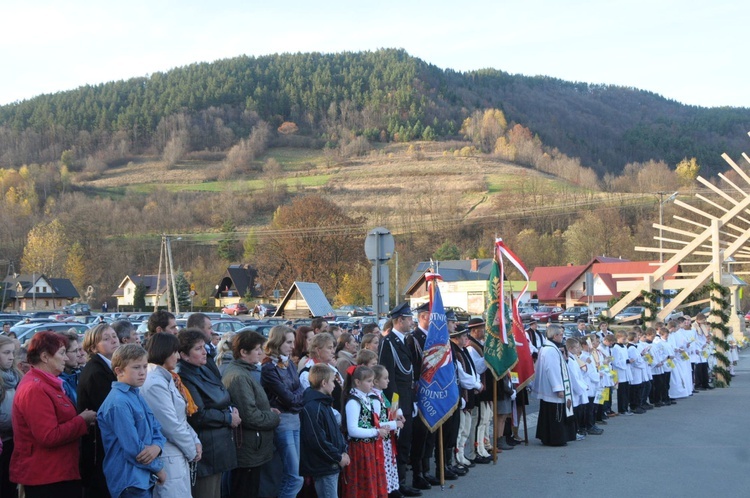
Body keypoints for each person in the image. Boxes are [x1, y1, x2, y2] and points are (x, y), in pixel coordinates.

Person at [10, 331, 97, 498]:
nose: (65, 358)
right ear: (44, 357)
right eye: (62, 353)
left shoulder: (46, 383)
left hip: (57, 473)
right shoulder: (35, 389)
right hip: (47, 478)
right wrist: (82, 421)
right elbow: (48, 436)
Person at [98, 344, 167, 498]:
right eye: (136, 367)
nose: (142, 372)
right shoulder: (118, 402)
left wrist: (157, 446)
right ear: (119, 371)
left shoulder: (135, 394)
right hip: (129, 479)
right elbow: (133, 449)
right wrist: (158, 468)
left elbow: (157, 428)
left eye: (144, 366)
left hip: (142, 478)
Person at [177, 328, 239, 498]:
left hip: (218, 445)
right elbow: (198, 414)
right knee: (206, 492)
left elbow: (224, 394)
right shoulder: (184, 375)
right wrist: (228, 417)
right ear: (184, 355)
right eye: (198, 349)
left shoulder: (203, 367)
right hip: (206, 448)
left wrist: (232, 409)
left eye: (204, 347)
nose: (204, 352)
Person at [141, 333, 202, 498]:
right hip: (168, 455)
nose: (177, 357)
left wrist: (195, 440)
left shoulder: (166, 378)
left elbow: (180, 417)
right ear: (163, 352)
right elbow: (170, 425)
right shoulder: (154, 383)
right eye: (174, 352)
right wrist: (192, 450)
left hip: (176, 452)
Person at [222, 330, 280, 498]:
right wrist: (274, 417)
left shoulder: (243, 372)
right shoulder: (239, 377)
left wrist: (267, 411)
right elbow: (249, 416)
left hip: (253, 447)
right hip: (248, 448)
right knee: (245, 491)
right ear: (243, 352)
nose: (261, 353)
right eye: (257, 349)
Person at [379, 302, 421, 497]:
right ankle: (396, 484)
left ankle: (401, 481)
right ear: (399, 320)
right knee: (400, 442)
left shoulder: (402, 341)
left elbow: (408, 375)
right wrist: (396, 409)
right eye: (409, 319)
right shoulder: (388, 343)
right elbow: (389, 380)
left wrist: (411, 401)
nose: (412, 322)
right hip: (397, 400)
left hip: (406, 397)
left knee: (406, 441)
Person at [261, 325, 305, 498]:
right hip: (283, 422)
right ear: (277, 342)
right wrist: (296, 397)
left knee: (293, 475)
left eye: (293, 342)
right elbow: (290, 397)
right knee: (295, 477)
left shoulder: (289, 363)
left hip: (295, 418)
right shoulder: (269, 368)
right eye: (288, 342)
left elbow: (300, 391)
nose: (292, 346)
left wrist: (296, 397)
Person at [78, 323, 121, 498]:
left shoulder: (109, 367)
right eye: (106, 338)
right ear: (93, 347)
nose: (113, 340)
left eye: (114, 335)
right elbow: (110, 409)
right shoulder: (97, 371)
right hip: (99, 446)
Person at [299, 364, 349, 498]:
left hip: (331, 463)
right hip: (325, 465)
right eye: (333, 381)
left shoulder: (324, 403)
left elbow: (336, 433)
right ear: (324, 383)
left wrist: (344, 450)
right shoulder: (313, 407)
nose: (335, 385)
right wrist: (338, 457)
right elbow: (317, 440)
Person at [341, 366, 388, 498]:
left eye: (372, 381)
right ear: (357, 382)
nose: (372, 384)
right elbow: (353, 430)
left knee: (370, 482)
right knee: (362, 483)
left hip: (368, 446)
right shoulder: (353, 402)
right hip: (359, 448)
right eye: (369, 381)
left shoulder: (365, 399)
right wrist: (376, 432)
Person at [404, 302, 438, 489]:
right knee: (419, 435)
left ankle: (426, 470)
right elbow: (414, 369)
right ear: (424, 317)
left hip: (434, 392)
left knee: (430, 434)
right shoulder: (413, 339)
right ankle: (417, 474)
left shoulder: (435, 338)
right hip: (421, 392)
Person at [532, 324, 574, 446]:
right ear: (555, 336)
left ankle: (548, 437)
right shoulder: (550, 350)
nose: (562, 337)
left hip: (549, 388)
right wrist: (559, 388)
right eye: (561, 335)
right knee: (556, 414)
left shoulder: (550, 347)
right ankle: (555, 438)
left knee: (548, 414)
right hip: (552, 389)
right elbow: (552, 370)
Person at [371, 365, 404, 498]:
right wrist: (394, 424)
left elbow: (388, 412)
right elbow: (376, 423)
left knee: (389, 464)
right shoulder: (374, 398)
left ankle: (390, 489)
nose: (388, 381)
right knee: (383, 466)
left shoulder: (381, 395)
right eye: (385, 378)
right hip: (381, 440)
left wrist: (396, 415)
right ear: (376, 381)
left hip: (386, 439)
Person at [464, 318, 492, 464]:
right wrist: (489, 356)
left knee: (484, 420)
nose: (484, 331)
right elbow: (477, 368)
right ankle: (474, 451)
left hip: (484, 388)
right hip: (478, 389)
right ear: (474, 330)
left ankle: (481, 447)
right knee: (478, 420)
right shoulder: (471, 347)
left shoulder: (479, 345)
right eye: (482, 328)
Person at [0, 335, 22, 497]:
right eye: (6, 353)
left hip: (15, 442)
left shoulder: (17, 376)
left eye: (13, 353)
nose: (11, 357)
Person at [187, 313, 222, 378]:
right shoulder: (194, 361)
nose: (212, 332)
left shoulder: (208, 350)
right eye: (209, 328)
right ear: (197, 328)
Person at [59, 331, 83, 405]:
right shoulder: (59, 382)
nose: (79, 354)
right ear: (63, 353)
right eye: (74, 351)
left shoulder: (79, 373)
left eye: (78, 350)